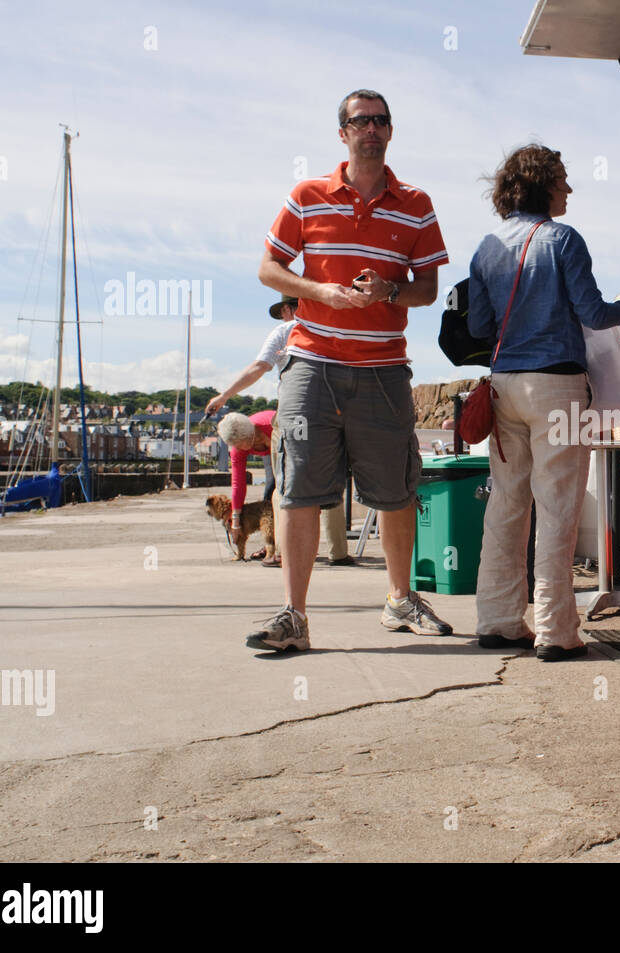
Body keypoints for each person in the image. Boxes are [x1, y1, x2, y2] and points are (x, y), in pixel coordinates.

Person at [248, 88, 451, 652]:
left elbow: (429, 289)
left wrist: (391, 290)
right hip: (311, 363)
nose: (372, 129)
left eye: (381, 120)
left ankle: (400, 599)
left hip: (385, 368)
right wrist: (319, 291)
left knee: (395, 490)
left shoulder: (416, 203)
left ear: (390, 131)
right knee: (298, 488)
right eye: (361, 121)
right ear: (342, 133)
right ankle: (294, 616)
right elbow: (268, 268)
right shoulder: (307, 195)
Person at [468, 144, 620, 661]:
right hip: (557, 387)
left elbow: (479, 326)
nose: (569, 188)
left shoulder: (486, 246)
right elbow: (593, 311)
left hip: (504, 386)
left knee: (506, 506)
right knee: (558, 508)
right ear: (543, 184)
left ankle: (498, 620)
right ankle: (555, 630)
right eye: (563, 180)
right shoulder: (563, 239)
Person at [205, 295, 354, 566]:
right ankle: (338, 553)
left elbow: (259, 368)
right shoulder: (332, 326)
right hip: (334, 411)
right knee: (332, 481)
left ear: (288, 309)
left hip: (295, 414)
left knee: (284, 486)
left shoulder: (285, 331)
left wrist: (224, 396)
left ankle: (285, 552)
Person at [216, 409, 280, 564]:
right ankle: (271, 545)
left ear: (251, 436)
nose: (238, 448)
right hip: (267, 449)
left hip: (281, 441)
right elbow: (238, 484)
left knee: (282, 486)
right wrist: (235, 522)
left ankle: (286, 541)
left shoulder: (270, 426)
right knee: (270, 490)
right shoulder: (237, 448)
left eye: (240, 445)